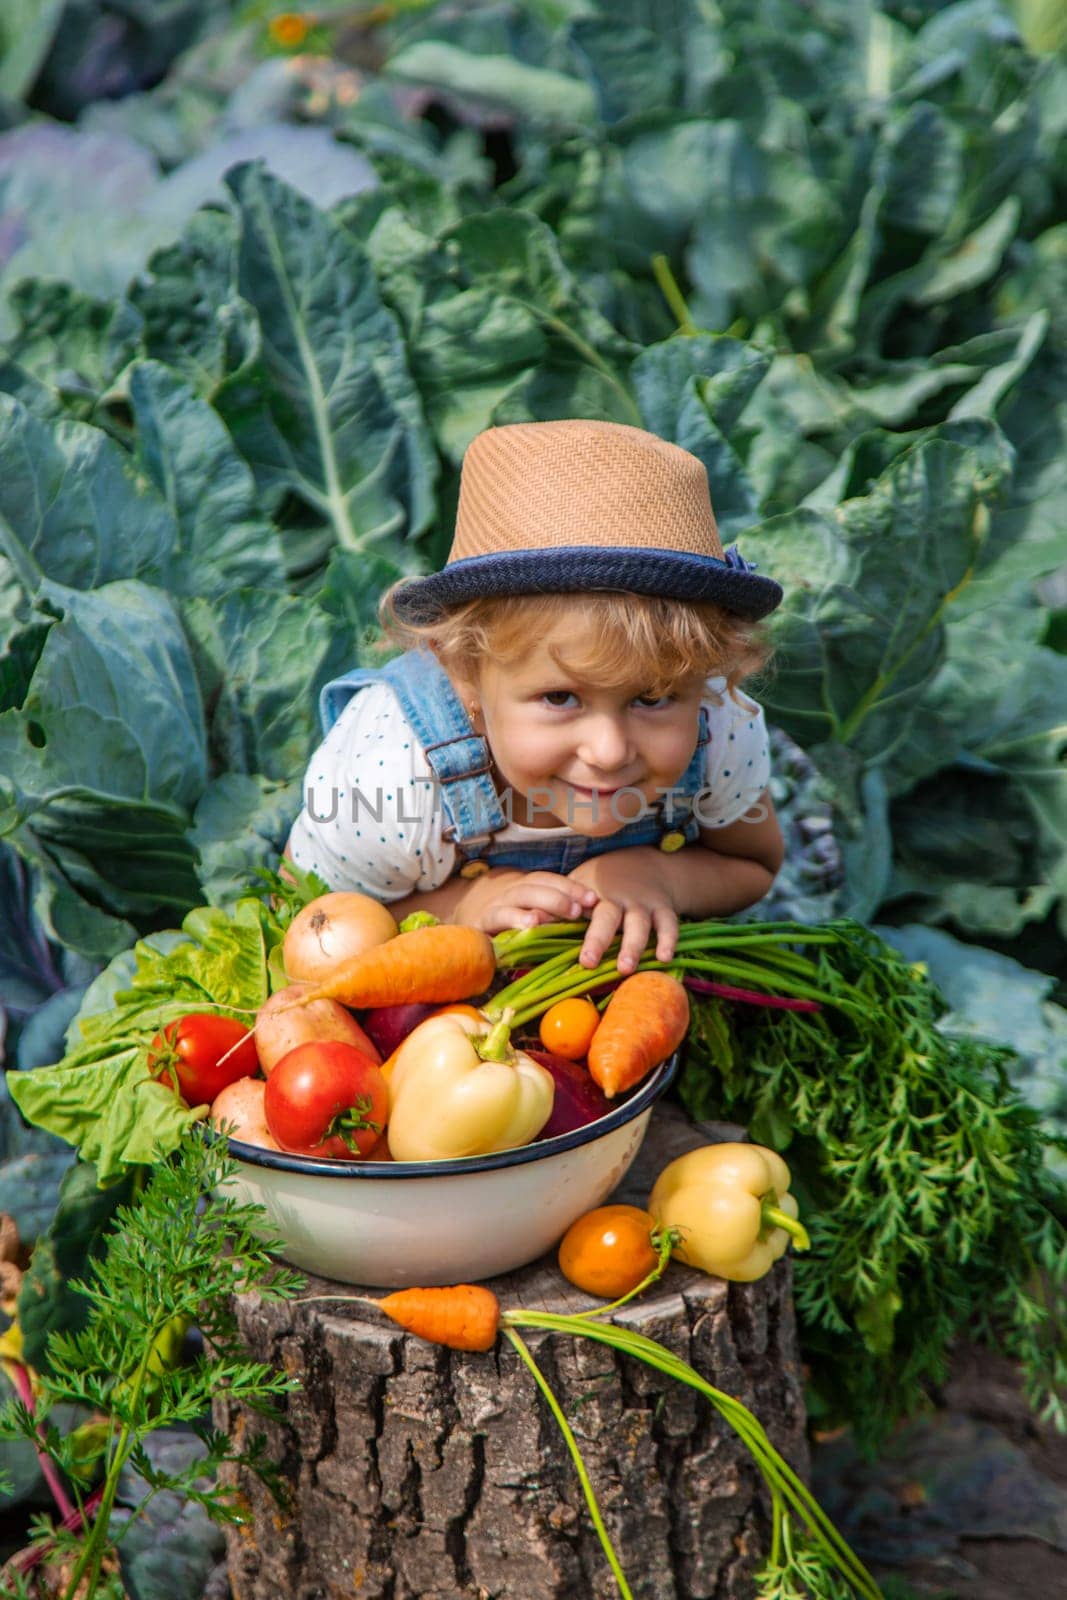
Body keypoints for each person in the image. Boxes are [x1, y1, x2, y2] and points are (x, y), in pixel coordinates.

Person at [286, 419, 786, 975]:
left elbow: (754, 864)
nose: (608, 750)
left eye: (653, 698)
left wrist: (658, 875)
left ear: (704, 678)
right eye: (559, 698)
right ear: (464, 675)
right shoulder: (390, 781)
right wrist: (462, 906)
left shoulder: (721, 728)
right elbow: (309, 913)